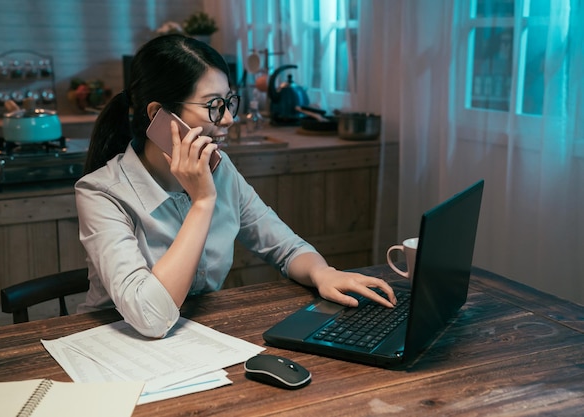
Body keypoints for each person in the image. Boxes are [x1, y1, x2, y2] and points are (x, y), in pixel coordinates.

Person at [75, 34, 396, 338]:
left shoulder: (220, 169)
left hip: (194, 338)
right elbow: (151, 318)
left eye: (229, 102)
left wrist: (322, 273)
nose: (228, 119)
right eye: (214, 105)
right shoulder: (102, 193)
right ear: (160, 114)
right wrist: (202, 202)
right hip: (115, 348)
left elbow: (286, 247)